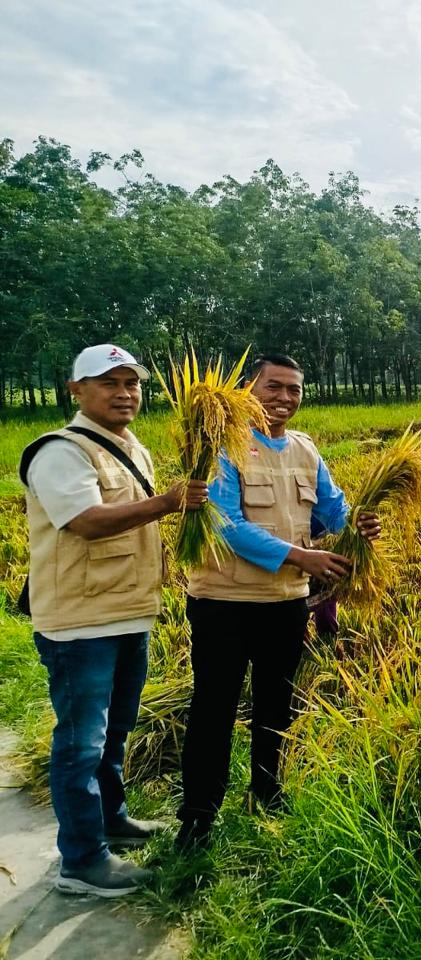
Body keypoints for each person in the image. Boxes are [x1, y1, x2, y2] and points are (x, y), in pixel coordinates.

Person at [19, 344, 208, 897]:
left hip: (126, 612)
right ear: (76, 391)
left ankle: (111, 820)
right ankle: (81, 861)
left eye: (132, 383)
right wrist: (168, 503)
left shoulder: (131, 446)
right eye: (109, 383)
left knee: (114, 732)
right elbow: (86, 522)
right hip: (80, 624)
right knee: (79, 744)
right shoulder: (60, 451)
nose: (125, 392)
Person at [177, 354, 381, 850]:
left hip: (286, 602)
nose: (284, 398)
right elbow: (226, 525)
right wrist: (302, 557)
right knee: (214, 708)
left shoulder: (307, 451)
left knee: (277, 705)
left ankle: (268, 793)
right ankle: (199, 817)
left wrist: (358, 526)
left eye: (294, 389)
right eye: (274, 386)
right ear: (249, 387)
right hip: (224, 602)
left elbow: (334, 510)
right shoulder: (220, 448)